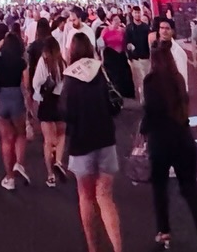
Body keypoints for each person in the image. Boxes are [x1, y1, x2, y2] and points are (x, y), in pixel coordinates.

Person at [143, 42, 197, 252]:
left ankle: (164, 230)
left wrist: (143, 130)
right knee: (191, 191)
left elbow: (151, 111)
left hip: (160, 141)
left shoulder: (150, 81)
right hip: (183, 138)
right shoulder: (178, 79)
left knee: (160, 188)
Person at [62, 34, 121, 252]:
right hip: (106, 139)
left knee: (86, 197)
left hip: (81, 143)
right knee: (106, 197)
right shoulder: (100, 71)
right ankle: (117, 248)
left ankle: (93, 248)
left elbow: (66, 112)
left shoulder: (70, 77)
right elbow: (113, 103)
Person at [0, 23, 31, 190]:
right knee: (20, 134)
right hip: (16, 97)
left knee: (6, 140)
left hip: (1, 98)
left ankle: (9, 177)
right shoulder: (22, 62)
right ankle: (19, 163)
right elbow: (26, 85)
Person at [31, 35, 67, 187]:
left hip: (47, 102)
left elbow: (35, 83)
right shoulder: (62, 62)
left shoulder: (43, 61)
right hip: (60, 102)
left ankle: (50, 175)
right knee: (61, 134)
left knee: (48, 141)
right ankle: (58, 161)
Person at [100, 14, 135, 102]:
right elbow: (101, 44)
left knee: (124, 75)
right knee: (114, 76)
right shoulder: (105, 30)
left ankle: (126, 95)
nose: (117, 22)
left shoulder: (122, 30)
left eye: (118, 20)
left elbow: (125, 43)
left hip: (121, 55)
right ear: (111, 21)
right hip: (110, 55)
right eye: (115, 20)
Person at [124, 7, 151, 91]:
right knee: (139, 81)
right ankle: (142, 99)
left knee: (147, 79)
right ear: (132, 14)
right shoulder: (129, 28)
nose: (137, 14)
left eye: (138, 12)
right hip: (135, 59)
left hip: (146, 57)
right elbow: (127, 42)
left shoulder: (146, 27)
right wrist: (130, 56)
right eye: (135, 13)